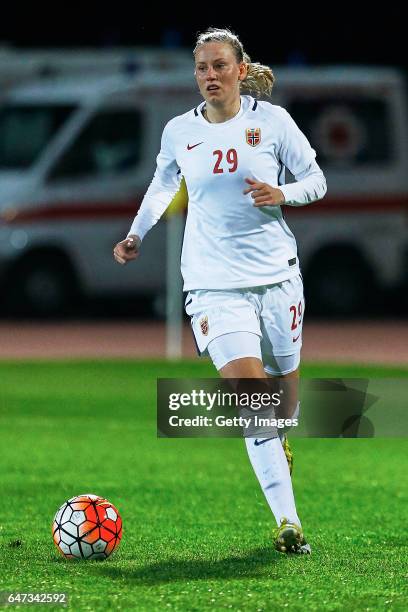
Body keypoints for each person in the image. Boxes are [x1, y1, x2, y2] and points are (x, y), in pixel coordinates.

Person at [114, 27, 327, 555]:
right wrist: (137, 233)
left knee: (284, 399)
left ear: (240, 68)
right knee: (255, 403)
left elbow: (317, 179)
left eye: (219, 66)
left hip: (277, 277)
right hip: (212, 286)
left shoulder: (272, 122)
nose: (210, 76)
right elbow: (163, 184)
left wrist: (284, 192)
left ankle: (279, 441)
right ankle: (288, 523)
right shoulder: (178, 132)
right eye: (202, 68)